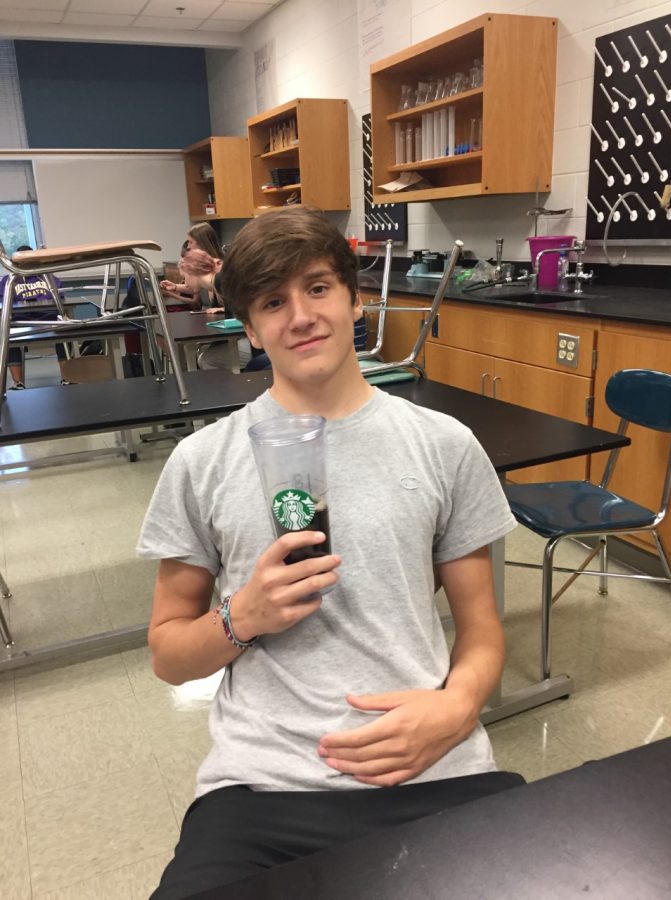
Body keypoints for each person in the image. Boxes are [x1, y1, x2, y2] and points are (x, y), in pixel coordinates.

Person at [137, 207, 524, 899]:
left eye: (317, 288)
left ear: (352, 299)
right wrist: (242, 616)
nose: (301, 316)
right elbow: (168, 655)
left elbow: (482, 628)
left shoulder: (443, 445)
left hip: (430, 765)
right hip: (263, 789)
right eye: (272, 301)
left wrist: (457, 705)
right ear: (249, 328)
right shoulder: (201, 462)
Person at [0, 245, 71, 388]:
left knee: (66, 331)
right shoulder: (9, 280)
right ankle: (18, 383)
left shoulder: (49, 278)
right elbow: (4, 304)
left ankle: (67, 377)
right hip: (20, 321)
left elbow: (61, 300)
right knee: (9, 335)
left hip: (49, 319)